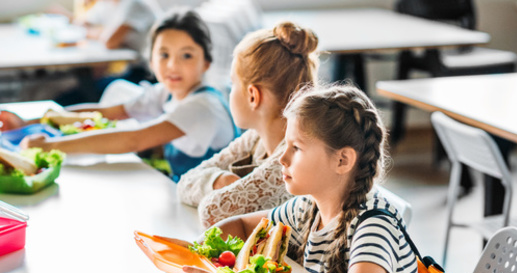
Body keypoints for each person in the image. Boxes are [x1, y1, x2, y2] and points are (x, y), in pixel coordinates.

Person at [174, 84, 423, 273]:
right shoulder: (306, 208)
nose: (282, 158)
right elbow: (240, 225)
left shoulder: (375, 225)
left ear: (342, 160)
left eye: (297, 148)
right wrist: (195, 253)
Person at [0, 8, 236, 182]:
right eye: (164, 55)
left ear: (206, 62)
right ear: (151, 60)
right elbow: (107, 113)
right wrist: (28, 122)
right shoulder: (165, 92)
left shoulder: (203, 105)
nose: (173, 65)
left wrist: (51, 145)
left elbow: (133, 139)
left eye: (187, 56)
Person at [177, 21, 319, 227]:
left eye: (232, 83)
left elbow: (212, 212)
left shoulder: (294, 155)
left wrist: (220, 184)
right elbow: (185, 182)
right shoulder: (255, 137)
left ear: (253, 95)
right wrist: (221, 181)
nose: (229, 91)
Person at [54, 0, 161, 105]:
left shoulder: (134, 3)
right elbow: (81, 25)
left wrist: (99, 32)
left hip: (149, 74)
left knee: (79, 96)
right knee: (72, 95)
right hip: (134, 69)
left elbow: (109, 41)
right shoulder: (105, 4)